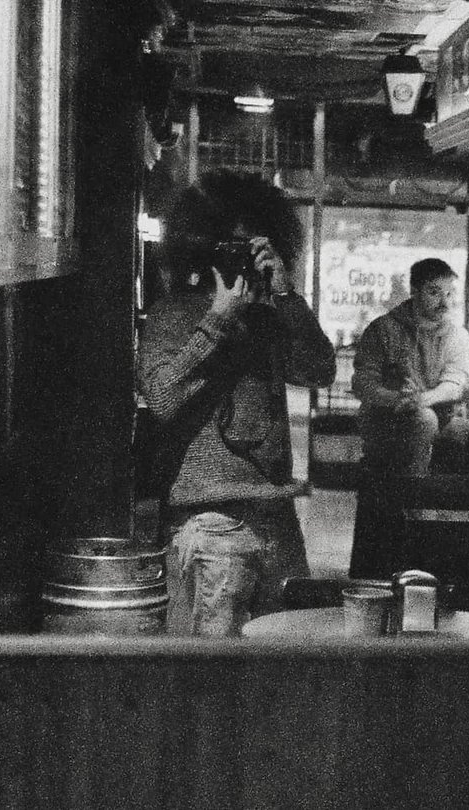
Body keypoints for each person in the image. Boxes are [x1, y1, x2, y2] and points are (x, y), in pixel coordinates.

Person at [137, 170, 336, 636]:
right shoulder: (172, 313)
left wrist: (286, 296)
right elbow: (163, 398)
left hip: (277, 517)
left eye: (251, 247)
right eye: (228, 245)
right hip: (211, 521)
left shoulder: (270, 317)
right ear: (201, 246)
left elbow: (320, 371)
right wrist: (218, 320)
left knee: (286, 658)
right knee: (216, 673)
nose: (237, 257)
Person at [351, 258, 469, 477]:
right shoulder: (383, 329)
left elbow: (454, 384)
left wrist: (420, 400)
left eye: (449, 293)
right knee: (425, 420)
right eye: (434, 293)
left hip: (435, 412)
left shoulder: (457, 336)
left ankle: (442, 501)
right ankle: (411, 495)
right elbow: (363, 383)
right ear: (414, 291)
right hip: (384, 415)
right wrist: (397, 398)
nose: (444, 303)